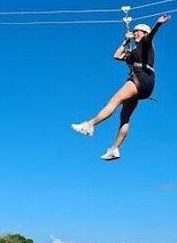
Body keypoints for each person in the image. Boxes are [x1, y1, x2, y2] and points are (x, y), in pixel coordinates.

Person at [71, 14, 171, 160]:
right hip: (146, 85)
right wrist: (125, 40)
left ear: (145, 34)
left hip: (140, 79)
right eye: (134, 31)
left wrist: (158, 24)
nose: (136, 33)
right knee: (124, 117)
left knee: (114, 102)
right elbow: (117, 56)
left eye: (139, 31)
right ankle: (115, 149)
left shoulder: (145, 44)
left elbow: (151, 36)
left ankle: (89, 125)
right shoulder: (133, 52)